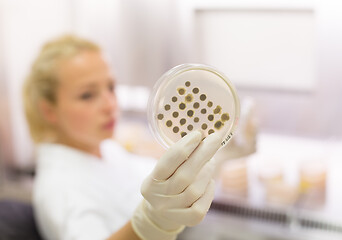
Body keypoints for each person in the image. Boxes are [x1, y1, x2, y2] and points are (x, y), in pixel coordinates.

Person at [23, 35, 222, 240]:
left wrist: (218, 153)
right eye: (87, 95)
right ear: (49, 111)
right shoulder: (59, 189)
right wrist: (151, 225)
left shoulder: (104, 149)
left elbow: (159, 177)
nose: (110, 104)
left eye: (110, 87)